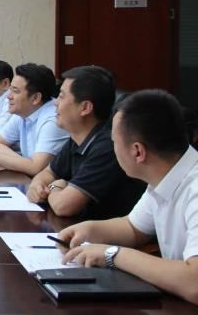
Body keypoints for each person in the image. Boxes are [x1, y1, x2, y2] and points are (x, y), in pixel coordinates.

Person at [60, 90, 198, 305]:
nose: (112, 149)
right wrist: (89, 229)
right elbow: (133, 228)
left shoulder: (194, 187)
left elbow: (194, 283)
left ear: (137, 152)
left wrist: (112, 255)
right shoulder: (165, 174)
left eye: (114, 142)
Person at [26, 66, 145, 218]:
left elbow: (64, 206)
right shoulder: (77, 138)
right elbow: (48, 172)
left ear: (85, 108)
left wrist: (55, 187)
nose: (55, 103)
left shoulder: (108, 146)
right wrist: (37, 186)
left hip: (109, 231)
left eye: (61, 97)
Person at [0, 63, 68, 176]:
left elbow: (36, 168)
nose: (8, 96)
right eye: (10, 90)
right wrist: (24, 163)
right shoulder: (22, 112)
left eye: (15, 91)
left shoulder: (53, 120)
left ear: (36, 98)